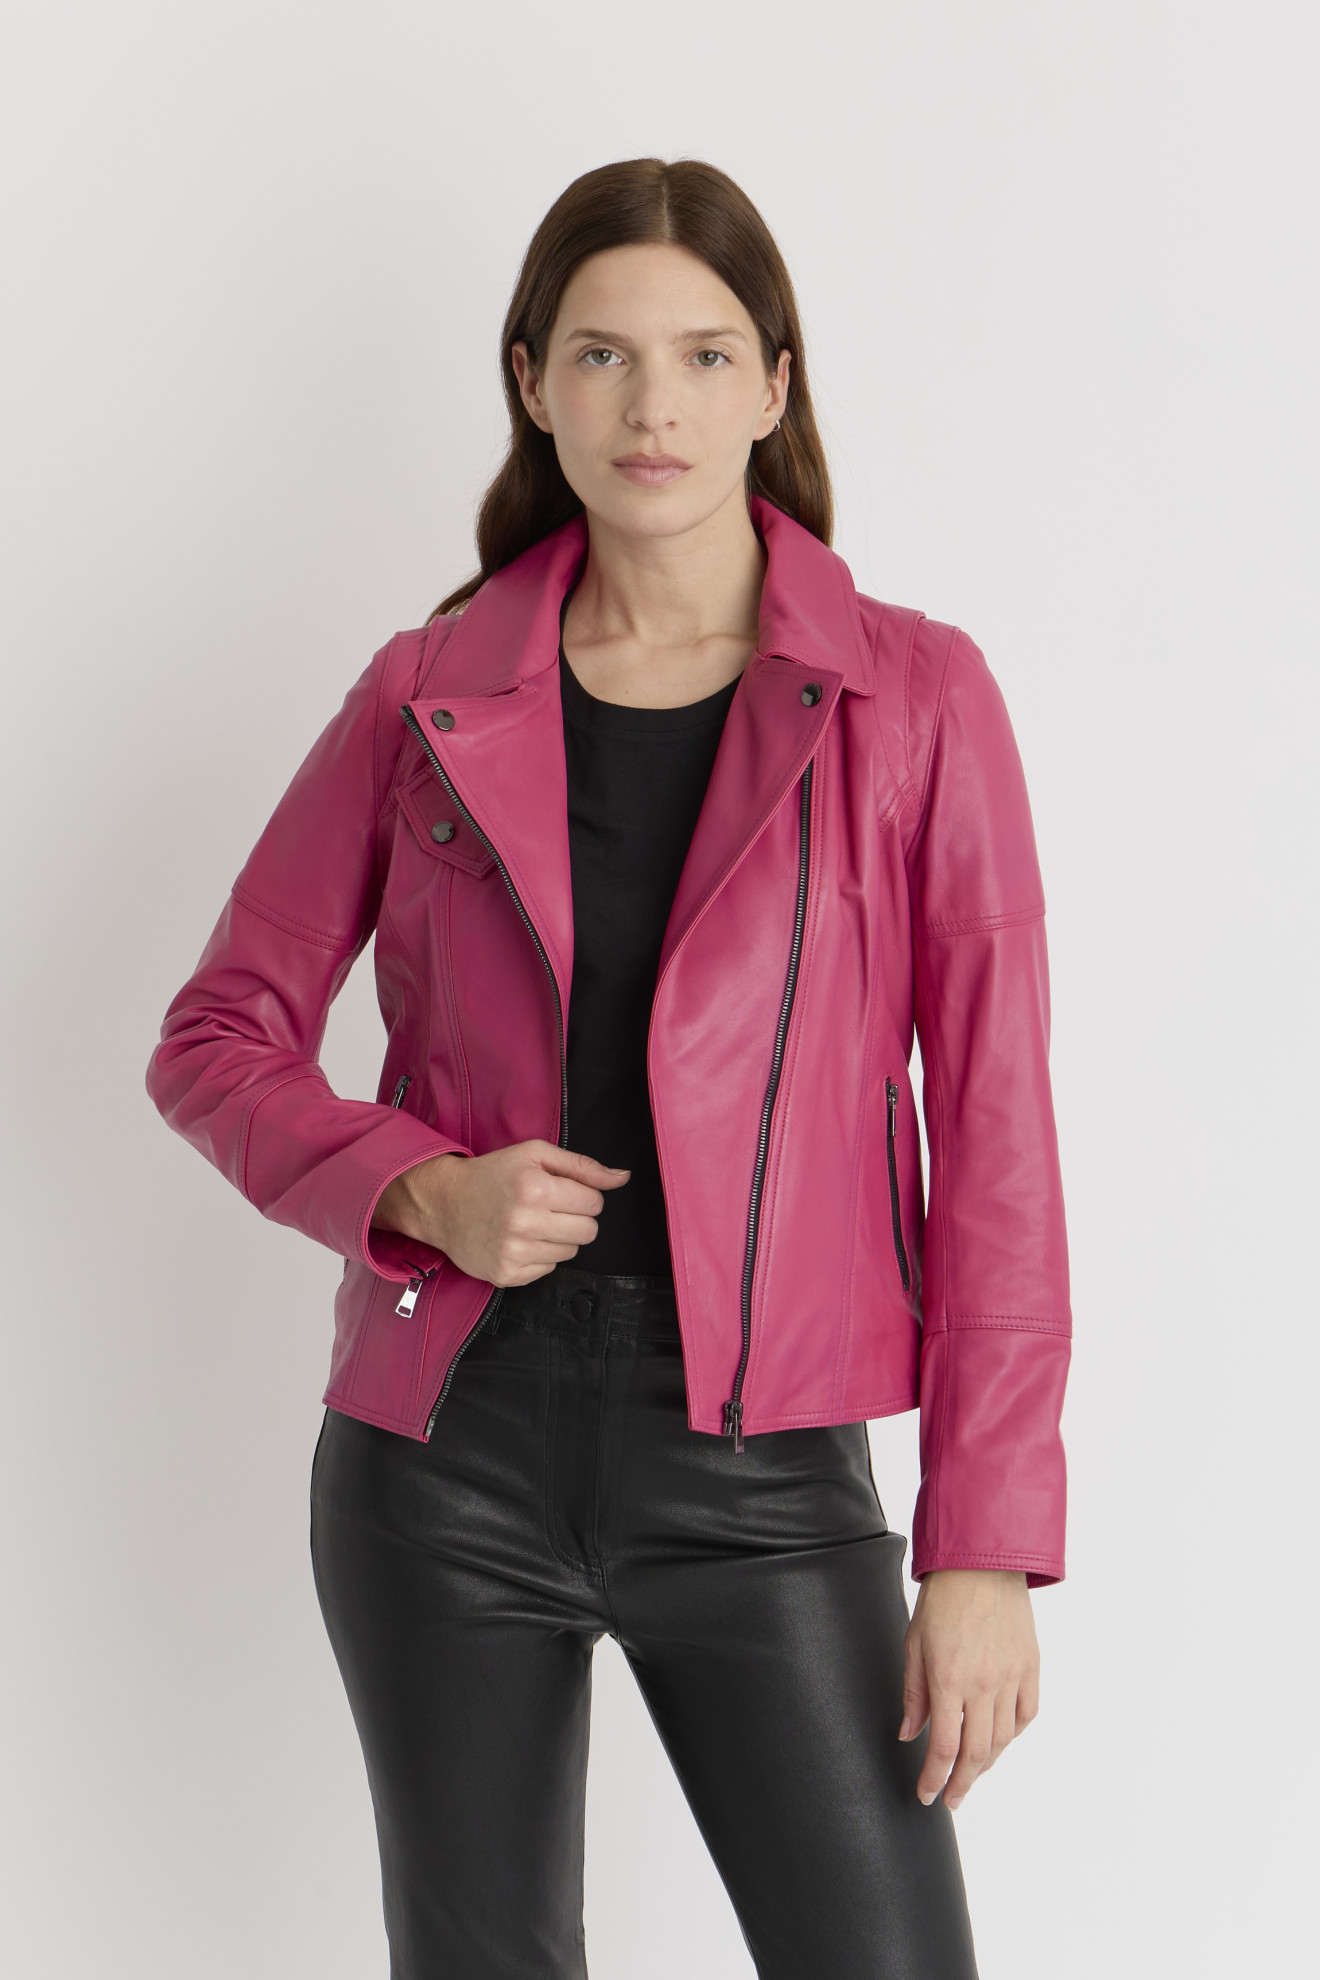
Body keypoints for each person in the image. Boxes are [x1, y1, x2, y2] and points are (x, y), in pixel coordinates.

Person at [146, 156, 1071, 1979]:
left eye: (706, 355)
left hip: (763, 1467)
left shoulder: (914, 701)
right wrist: (420, 1187)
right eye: (602, 354)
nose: (656, 407)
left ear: (775, 386)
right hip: (443, 1455)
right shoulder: (421, 693)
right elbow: (216, 1034)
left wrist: (983, 1545)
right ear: (532, 382)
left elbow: (998, 1141)